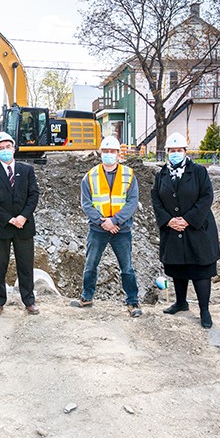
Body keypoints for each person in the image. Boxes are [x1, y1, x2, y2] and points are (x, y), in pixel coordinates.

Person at [151, 132, 220, 328]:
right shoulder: (161, 174)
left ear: (185, 151)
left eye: (178, 150)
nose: (175, 153)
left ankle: (204, 311)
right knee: (178, 267)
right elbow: (156, 200)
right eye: (171, 151)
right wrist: (169, 221)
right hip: (172, 229)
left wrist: (188, 220)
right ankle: (181, 302)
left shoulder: (198, 171)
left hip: (198, 229)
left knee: (201, 270)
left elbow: (206, 197)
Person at [72, 135, 142, 317]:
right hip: (98, 229)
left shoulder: (129, 175)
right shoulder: (90, 176)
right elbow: (86, 204)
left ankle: (133, 301)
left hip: (122, 229)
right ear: (100, 153)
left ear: (118, 154)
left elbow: (132, 202)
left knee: (126, 267)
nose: (109, 154)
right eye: (106, 151)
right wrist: (103, 222)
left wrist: (115, 221)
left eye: (112, 151)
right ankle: (86, 296)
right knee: (91, 264)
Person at [0, 131, 40, 316]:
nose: (5, 151)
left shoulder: (27, 170)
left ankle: (29, 300)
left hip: (24, 226)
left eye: (7, 147)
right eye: (0, 148)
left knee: (25, 266)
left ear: (13, 148)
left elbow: (34, 195)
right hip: (1, 228)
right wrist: (9, 219)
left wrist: (23, 217)